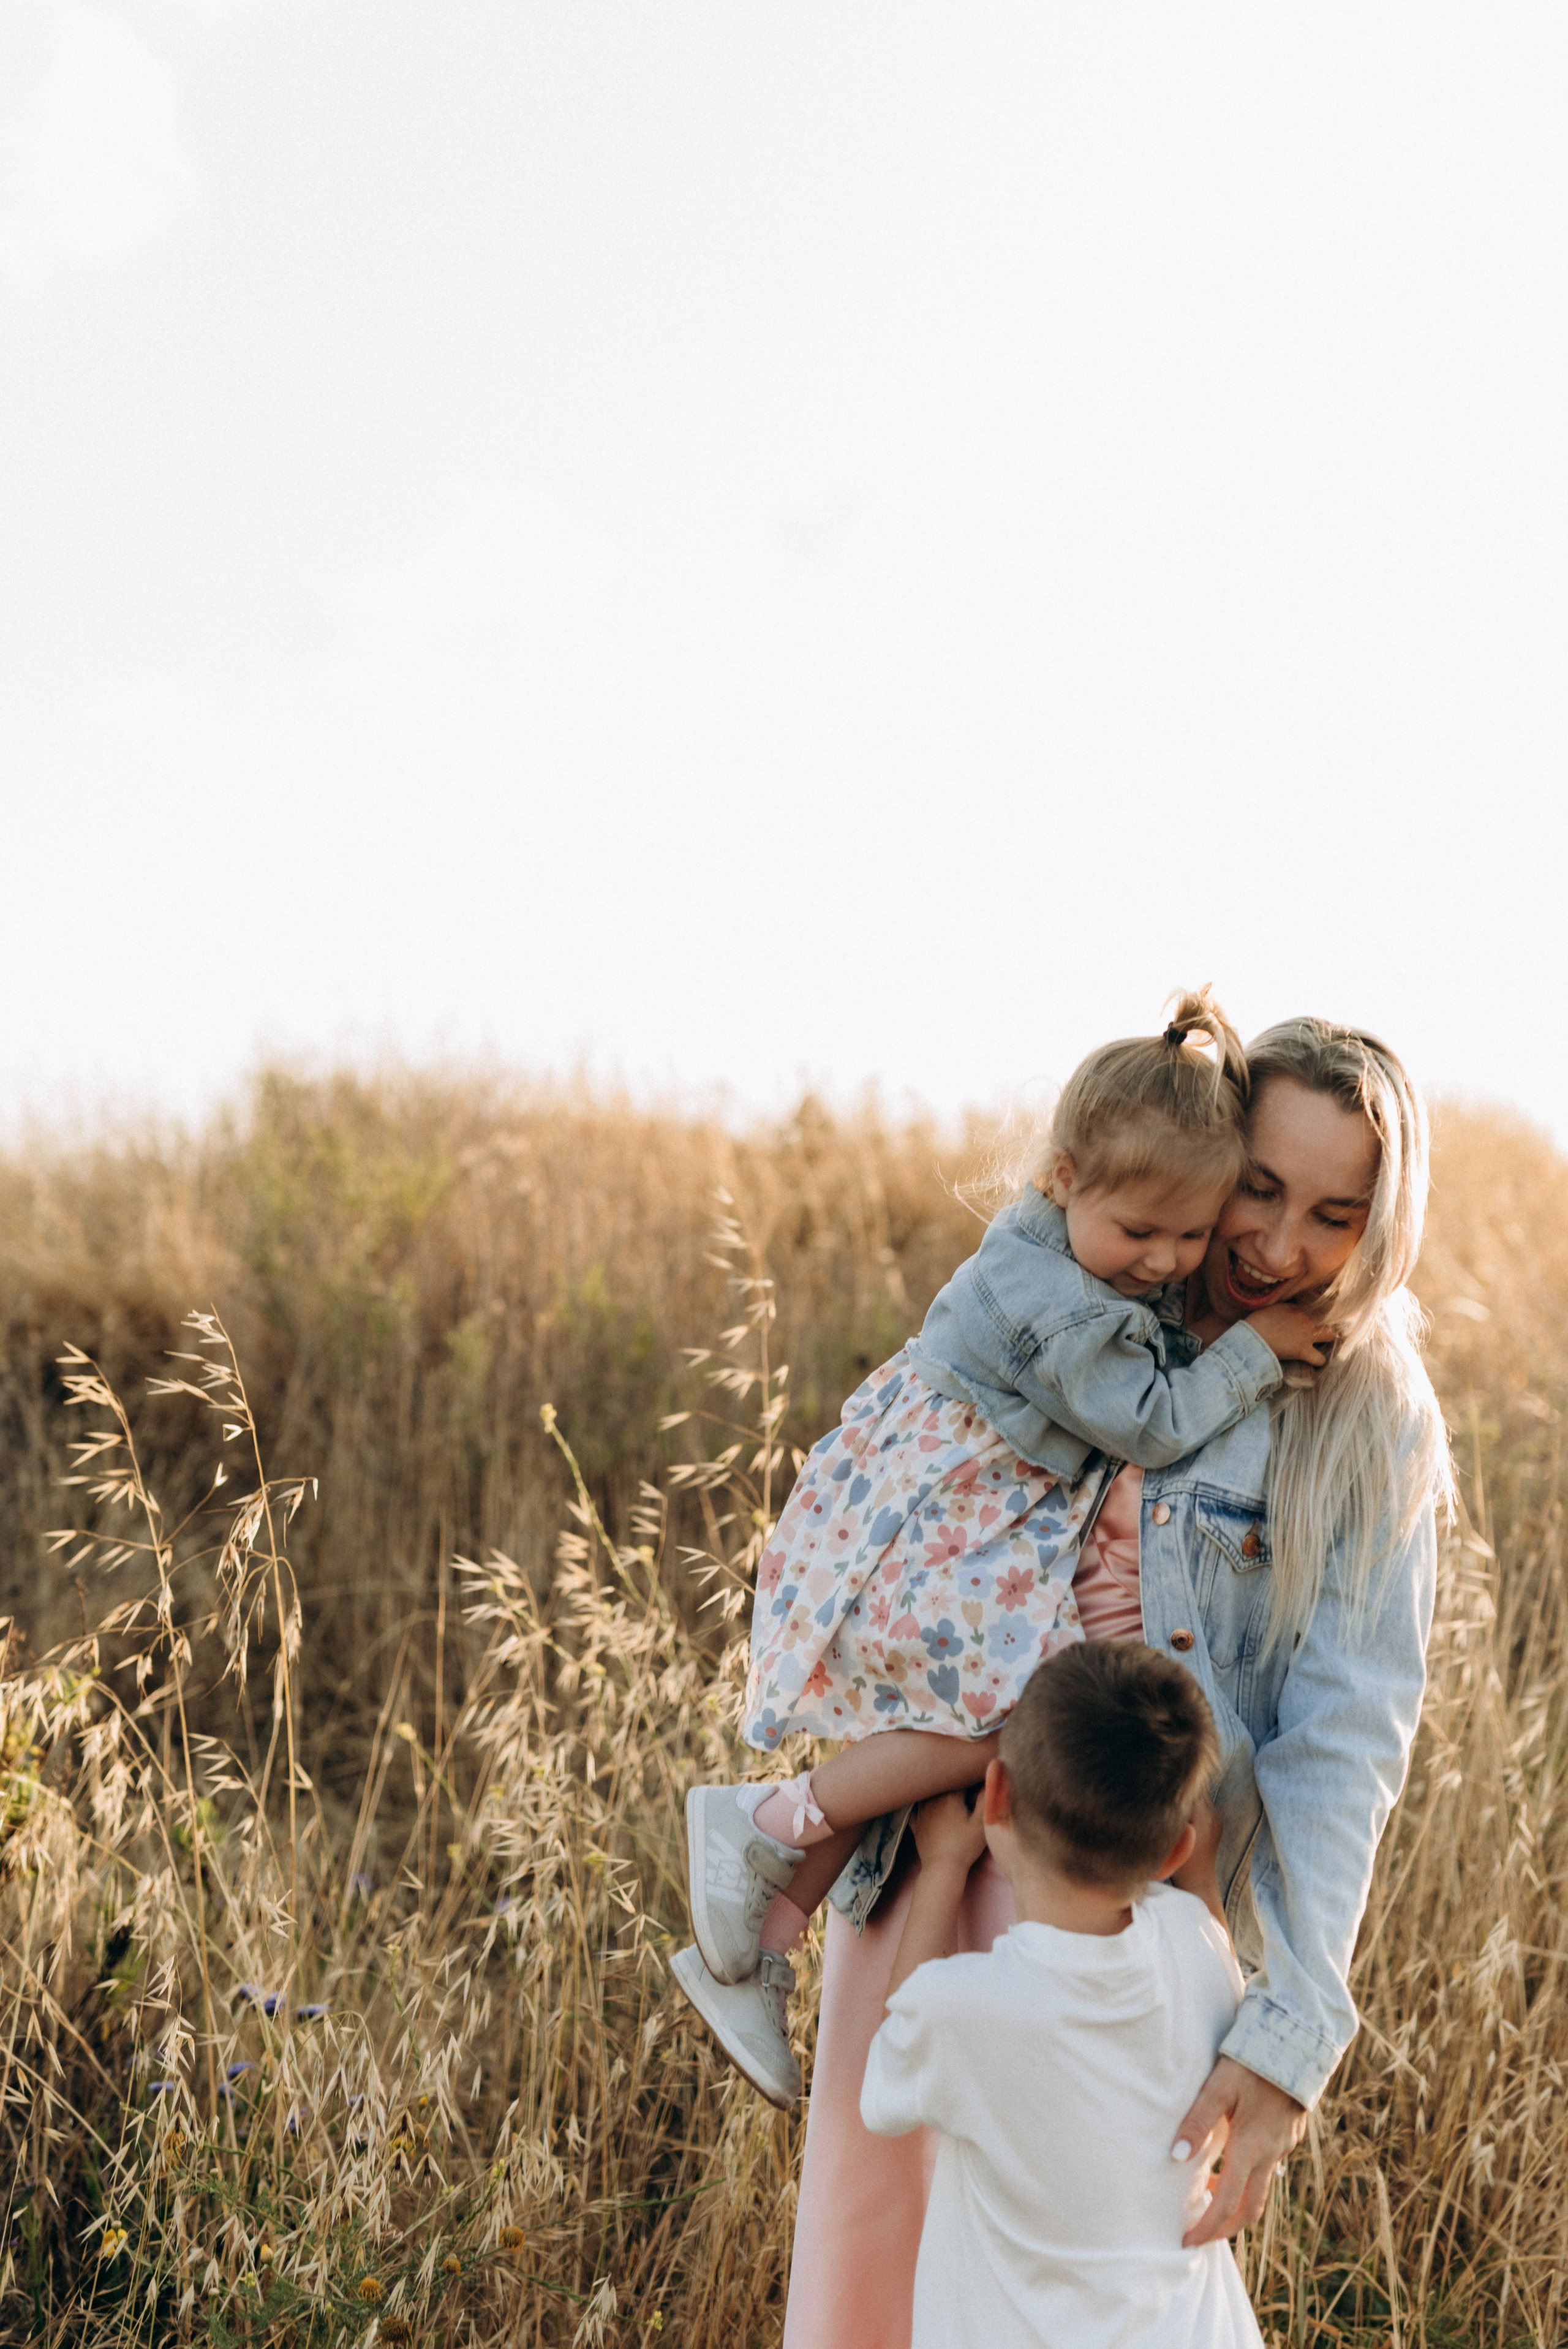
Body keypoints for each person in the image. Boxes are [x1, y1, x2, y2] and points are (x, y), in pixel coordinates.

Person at [777, 1016, 1453, 2349]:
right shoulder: (1086, 1307)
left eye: (1334, 1213)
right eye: (1255, 1188)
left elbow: (1344, 1734)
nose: (1276, 1245)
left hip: (1129, 1922)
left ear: (1382, 1226)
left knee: (1107, 2303)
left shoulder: (1363, 1410)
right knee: (882, 2288)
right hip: (946, 1859)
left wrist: (1293, 2026)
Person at [671, 989, 1330, 2101]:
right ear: (1064, 1175)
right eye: (1142, 1231)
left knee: (963, 1721)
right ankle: (768, 1817)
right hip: (945, 1505)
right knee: (1006, 1714)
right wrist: (1252, 1351)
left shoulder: (1098, 1250)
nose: (1166, 1261)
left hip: (990, 1507)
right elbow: (1146, 1420)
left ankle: (762, 1942)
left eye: (1189, 1234)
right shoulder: (1044, 1292)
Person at [860, 1643, 1263, 2349]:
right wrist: (1201, 1882)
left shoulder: (967, 2007)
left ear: (995, 1794)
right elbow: (1217, 1957)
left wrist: (945, 1868)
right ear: (1172, 1851)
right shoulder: (1195, 1944)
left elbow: (887, 2075)